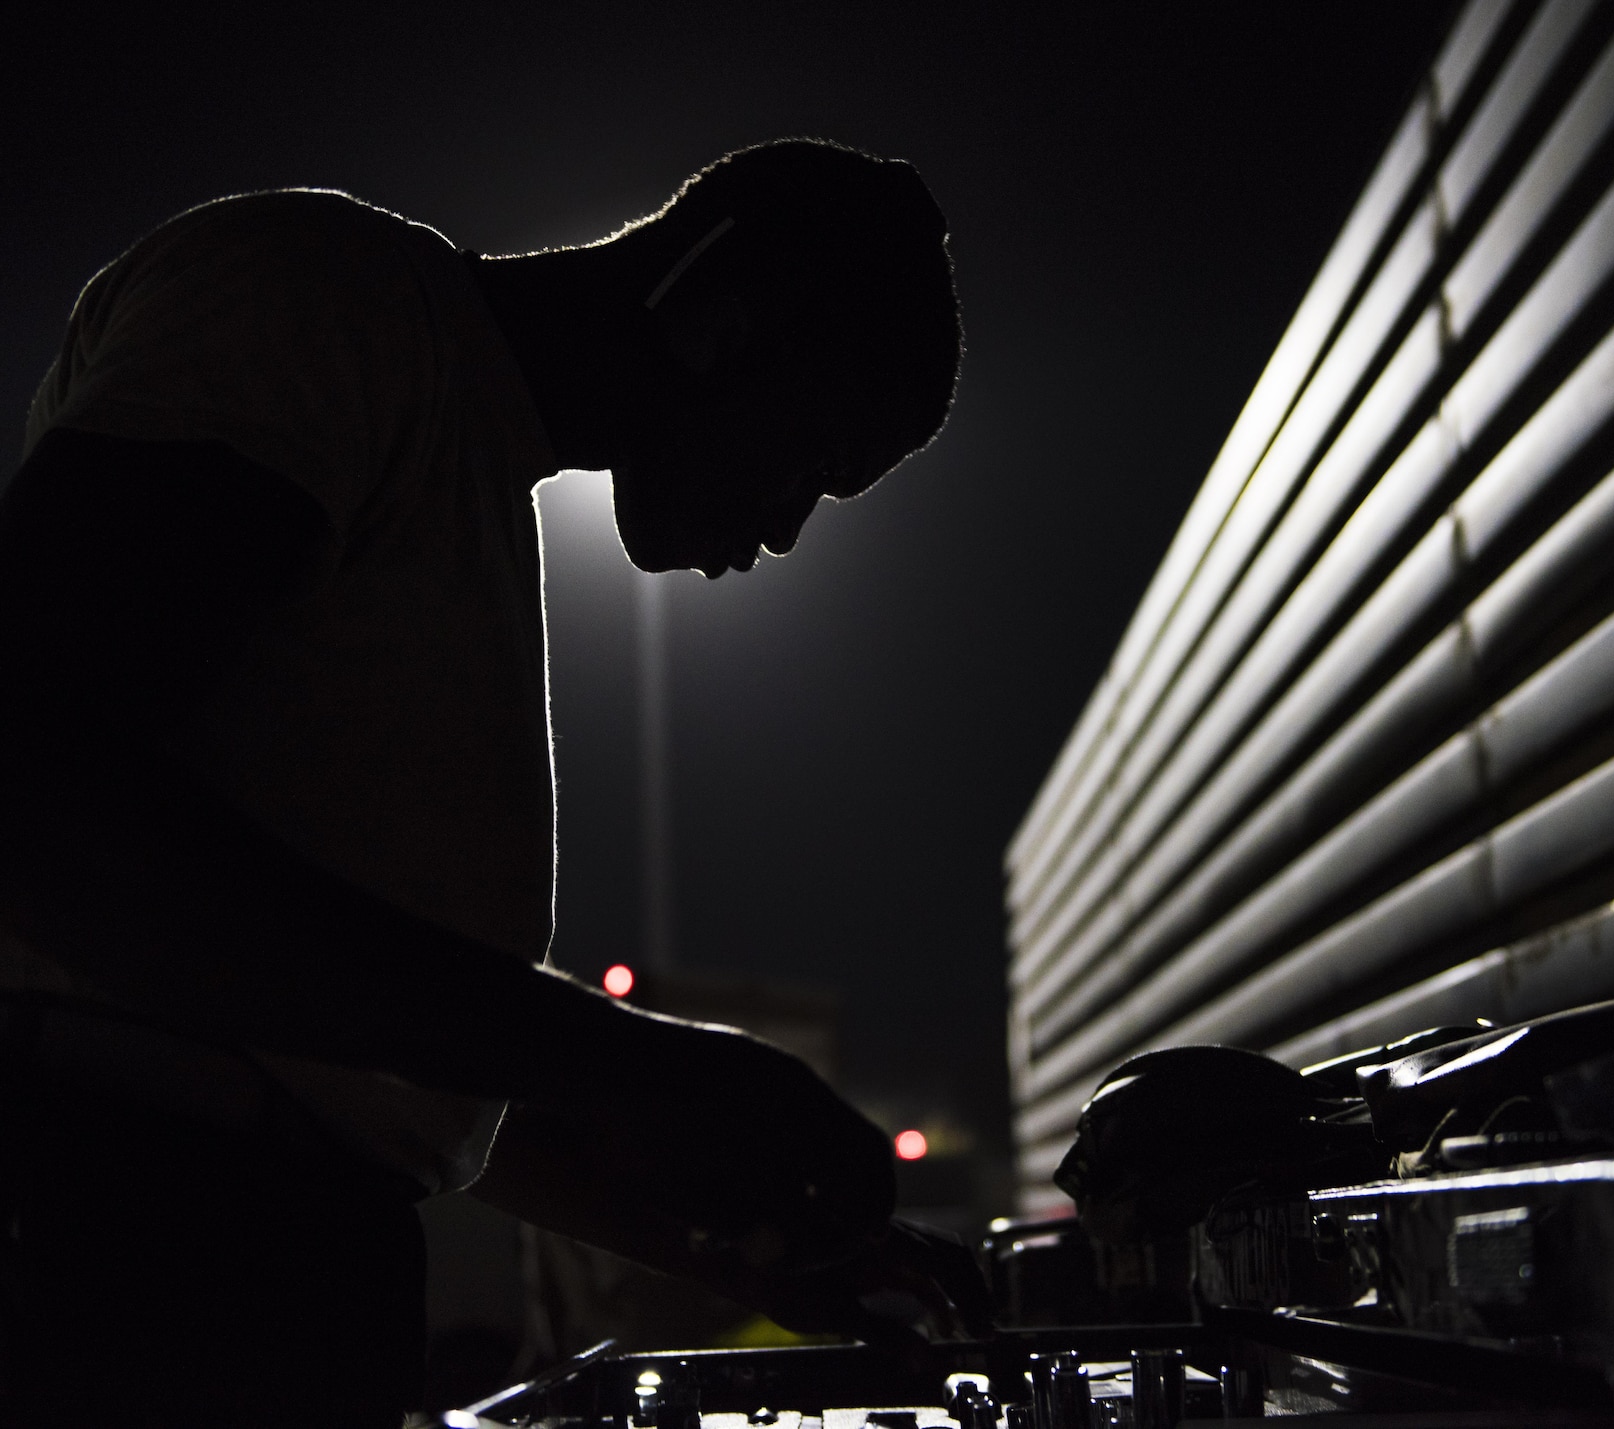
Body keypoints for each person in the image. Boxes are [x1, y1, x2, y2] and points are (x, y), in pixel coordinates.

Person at [0, 138, 978, 1428]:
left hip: (214, 1286)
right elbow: (36, 778)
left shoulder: (453, 479)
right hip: (107, 1259)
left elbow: (373, 1060)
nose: (785, 530)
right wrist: (651, 1067)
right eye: (812, 459)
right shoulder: (322, 298)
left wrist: (736, 1242)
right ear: (719, 318)